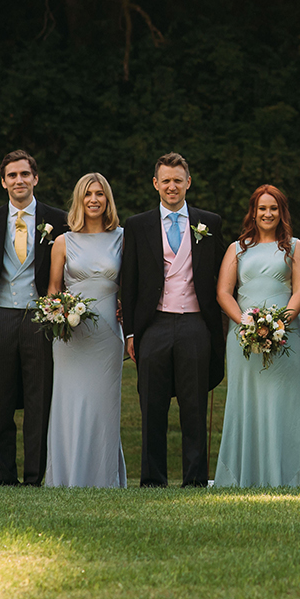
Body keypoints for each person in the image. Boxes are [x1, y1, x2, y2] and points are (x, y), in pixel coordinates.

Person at [120, 152, 224, 487]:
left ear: (188, 182)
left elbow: (219, 277)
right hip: (155, 325)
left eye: (178, 180)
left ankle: (195, 480)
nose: (172, 186)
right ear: (155, 184)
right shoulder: (138, 225)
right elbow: (130, 281)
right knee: (152, 407)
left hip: (196, 323)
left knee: (194, 408)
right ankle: (153, 479)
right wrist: (132, 333)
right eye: (165, 180)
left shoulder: (210, 222)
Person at [0, 150, 68, 486]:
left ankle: (33, 475)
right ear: (3, 182)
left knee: (38, 400)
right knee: (0, 401)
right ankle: (5, 476)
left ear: (35, 178)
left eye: (24, 174)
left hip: (40, 319)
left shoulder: (58, 219)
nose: (19, 181)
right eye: (12, 176)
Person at [214, 185, 300, 487]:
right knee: (245, 402)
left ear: (281, 212)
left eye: (273, 208)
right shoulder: (237, 248)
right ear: (253, 212)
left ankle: (289, 475)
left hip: (285, 336)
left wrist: (279, 324)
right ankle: (244, 475)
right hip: (243, 338)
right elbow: (223, 292)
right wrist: (246, 323)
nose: (267, 214)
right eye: (262, 208)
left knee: (284, 401)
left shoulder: (295, 247)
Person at [43, 172, 127, 488]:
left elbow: (130, 284)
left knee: (103, 406)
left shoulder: (122, 237)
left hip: (107, 336)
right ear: (79, 200)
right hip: (70, 338)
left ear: (107, 200)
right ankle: (66, 476)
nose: (94, 199)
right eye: (88, 194)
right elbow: (53, 289)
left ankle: (104, 478)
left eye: (100, 194)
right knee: (69, 404)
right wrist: (61, 314)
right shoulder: (64, 241)